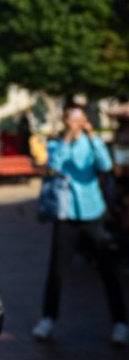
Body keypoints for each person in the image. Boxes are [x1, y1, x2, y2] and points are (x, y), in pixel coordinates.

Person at [33, 101, 128, 346]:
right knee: (57, 271)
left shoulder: (91, 142)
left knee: (109, 269)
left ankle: (120, 322)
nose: (76, 123)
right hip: (66, 215)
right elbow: (53, 167)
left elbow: (105, 166)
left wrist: (91, 136)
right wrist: (67, 139)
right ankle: (48, 318)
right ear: (65, 120)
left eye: (80, 118)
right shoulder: (57, 143)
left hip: (92, 213)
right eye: (72, 118)